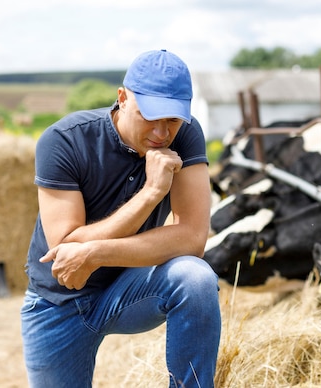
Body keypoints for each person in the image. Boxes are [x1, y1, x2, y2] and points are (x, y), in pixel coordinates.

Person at [20, 49, 221, 388]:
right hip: (59, 298)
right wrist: (152, 192)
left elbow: (191, 238)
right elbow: (67, 248)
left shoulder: (185, 134)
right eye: (150, 116)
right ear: (123, 98)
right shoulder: (64, 141)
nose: (161, 132)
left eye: (172, 119)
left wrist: (96, 252)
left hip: (130, 289)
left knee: (196, 278)